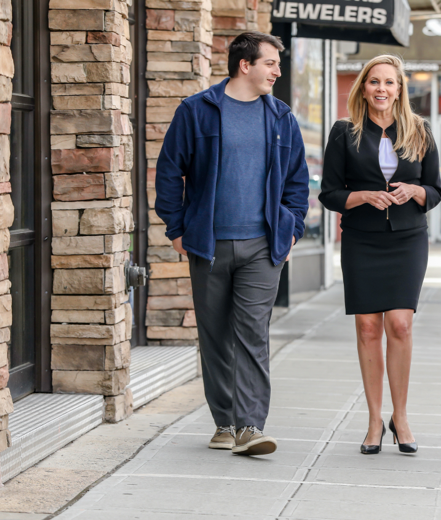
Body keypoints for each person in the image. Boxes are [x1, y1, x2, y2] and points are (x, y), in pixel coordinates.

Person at [154, 32, 309, 456]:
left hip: (263, 245)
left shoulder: (280, 117)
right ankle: (224, 421)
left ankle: (250, 426)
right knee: (216, 336)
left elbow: (297, 181)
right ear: (246, 65)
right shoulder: (197, 111)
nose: (277, 71)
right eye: (271, 63)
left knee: (252, 334)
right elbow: (170, 171)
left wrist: (291, 228)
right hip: (208, 243)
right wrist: (177, 228)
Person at [319, 55, 441, 455]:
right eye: (374, 82)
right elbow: (329, 192)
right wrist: (361, 196)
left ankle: (400, 417)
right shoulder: (344, 132)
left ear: (400, 89)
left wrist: (415, 191)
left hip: (407, 239)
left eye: (389, 83)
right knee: (368, 328)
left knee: (401, 326)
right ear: (363, 87)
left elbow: (436, 189)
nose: (382, 90)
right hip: (362, 239)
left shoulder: (420, 130)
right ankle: (375, 420)